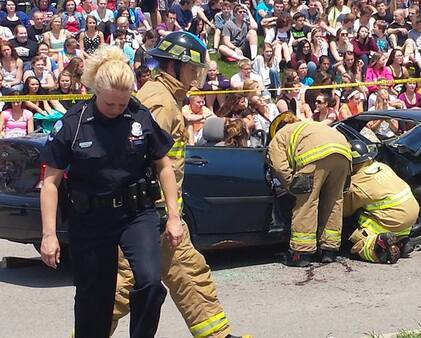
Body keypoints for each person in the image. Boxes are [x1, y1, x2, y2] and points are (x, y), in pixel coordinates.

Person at [111, 31, 248, 338]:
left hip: (161, 215)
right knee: (123, 286)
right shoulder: (159, 101)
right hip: (151, 216)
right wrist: (160, 213)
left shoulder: (163, 97)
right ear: (174, 67)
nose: (194, 78)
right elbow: (139, 158)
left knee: (190, 274)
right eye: (191, 70)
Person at [39, 45, 181, 338]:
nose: (117, 110)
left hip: (135, 213)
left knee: (150, 282)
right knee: (95, 299)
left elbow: (164, 167)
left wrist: (174, 215)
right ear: (95, 92)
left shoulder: (140, 116)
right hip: (90, 219)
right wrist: (49, 235)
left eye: (123, 103)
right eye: (110, 105)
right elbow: (50, 183)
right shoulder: (74, 124)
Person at [267, 112, 352, 266]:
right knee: (334, 201)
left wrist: (292, 186)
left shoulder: (280, 135)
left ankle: (302, 253)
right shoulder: (309, 125)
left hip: (313, 156)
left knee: (307, 202)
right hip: (344, 152)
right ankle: (329, 250)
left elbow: (279, 167)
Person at [344, 140, 418, 264]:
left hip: (394, 221)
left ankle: (378, 246)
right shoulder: (382, 166)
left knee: (355, 233)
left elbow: (345, 211)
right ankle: (401, 242)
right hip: (411, 217)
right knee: (379, 209)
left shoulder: (358, 183)